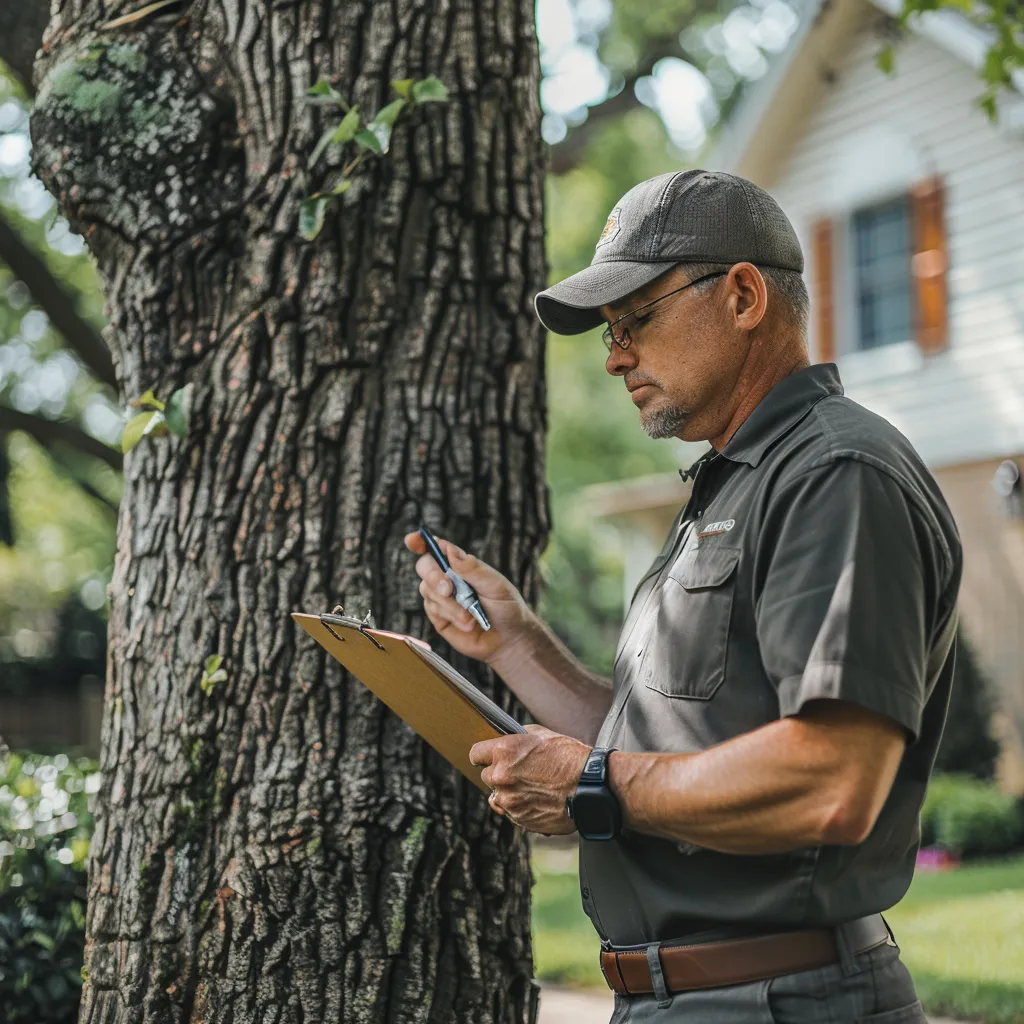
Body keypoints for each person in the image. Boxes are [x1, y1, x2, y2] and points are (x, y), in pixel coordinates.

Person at [404, 170, 961, 1023]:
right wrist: (513, 642)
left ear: (742, 296)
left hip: (780, 1000)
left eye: (636, 320)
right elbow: (657, 741)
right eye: (609, 333)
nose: (617, 354)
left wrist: (593, 787)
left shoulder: (836, 475)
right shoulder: (729, 486)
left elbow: (835, 781)